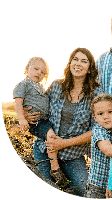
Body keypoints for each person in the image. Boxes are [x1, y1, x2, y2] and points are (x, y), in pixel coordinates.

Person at [24, 48, 101, 196]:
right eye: (75, 59)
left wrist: (64, 143)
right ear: (70, 63)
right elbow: (40, 114)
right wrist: (28, 115)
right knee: (44, 185)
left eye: (84, 61)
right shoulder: (56, 86)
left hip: (72, 154)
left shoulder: (96, 94)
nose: (78, 63)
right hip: (45, 148)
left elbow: (96, 130)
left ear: (90, 68)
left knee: (85, 190)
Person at [13, 57, 69, 188]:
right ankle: (55, 169)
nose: (39, 73)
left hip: (44, 120)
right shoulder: (24, 84)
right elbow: (18, 102)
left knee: (51, 136)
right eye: (36, 69)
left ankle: (55, 165)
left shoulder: (40, 87)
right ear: (27, 69)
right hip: (37, 122)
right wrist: (22, 118)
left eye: (43, 72)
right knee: (51, 137)